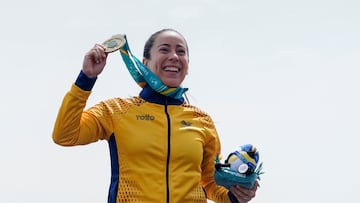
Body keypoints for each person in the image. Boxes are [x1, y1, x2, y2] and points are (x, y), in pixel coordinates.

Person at [52, 28, 258, 203]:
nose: (174, 56)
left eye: (181, 51)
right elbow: (64, 135)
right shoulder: (116, 111)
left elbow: (210, 183)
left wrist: (235, 196)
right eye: (164, 49)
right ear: (144, 62)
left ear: (187, 65)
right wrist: (86, 79)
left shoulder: (202, 120)